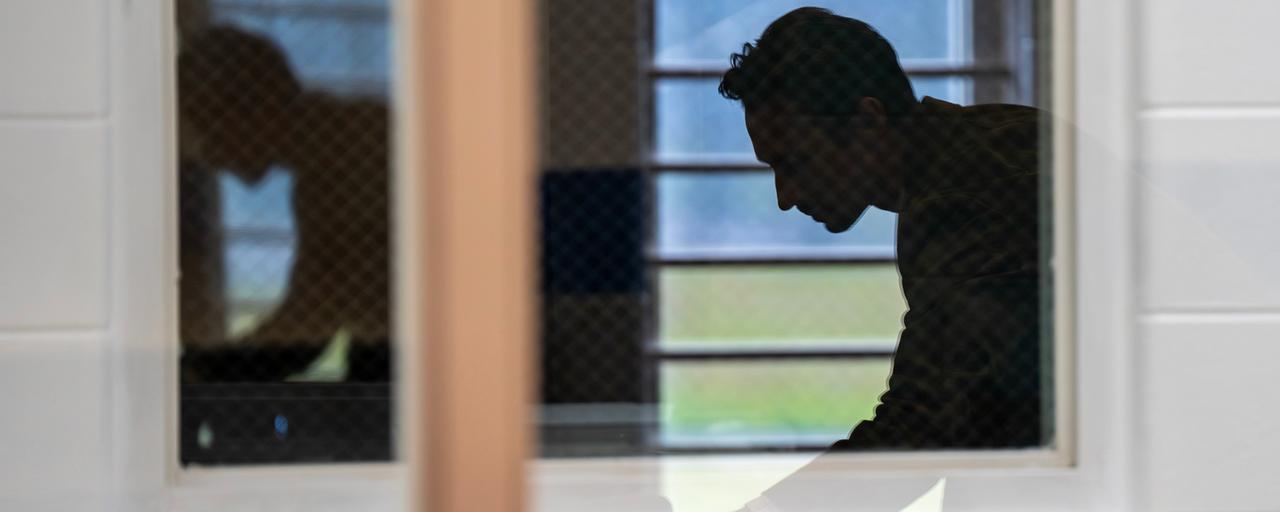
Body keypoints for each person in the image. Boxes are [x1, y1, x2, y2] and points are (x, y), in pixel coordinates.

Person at [719, 7, 1048, 452]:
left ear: (869, 123)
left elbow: (925, 424)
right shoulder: (986, 139)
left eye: (794, 162)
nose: (785, 196)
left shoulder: (959, 202)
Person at [178, 26, 391, 382]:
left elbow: (312, 320)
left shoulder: (341, 163)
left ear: (256, 106)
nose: (210, 155)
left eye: (210, 127)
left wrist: (204, 374)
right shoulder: (338, 145)